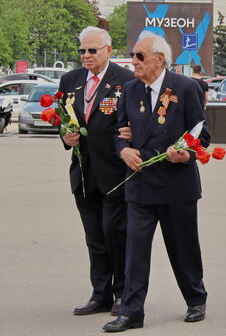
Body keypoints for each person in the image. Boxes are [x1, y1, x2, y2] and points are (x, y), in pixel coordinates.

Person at [103, 31, 209, 332]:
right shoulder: (130, 89)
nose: (133, 61)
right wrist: (124, 151)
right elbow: (119, 133)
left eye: (140, 56)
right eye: (134, 55)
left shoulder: (185, 88)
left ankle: (195, 298)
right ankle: (132, 312)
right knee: (134, 251)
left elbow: (202, 134)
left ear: (159, 59)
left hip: (176, 185)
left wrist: (185, 154)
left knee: (183, 248)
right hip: (139, 184)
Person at [58, 26, 134, 316]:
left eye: (92, 50)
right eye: (82, 50)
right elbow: (62, 119)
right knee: (94, 237)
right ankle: (100, 294)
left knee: (117, 234)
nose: (86, 56)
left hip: (115, 173)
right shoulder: (71, 80)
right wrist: (65, 135)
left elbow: (132, 123)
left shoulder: (125, 81)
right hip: (84, 173)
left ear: (108, 51)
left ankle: (122, 293)